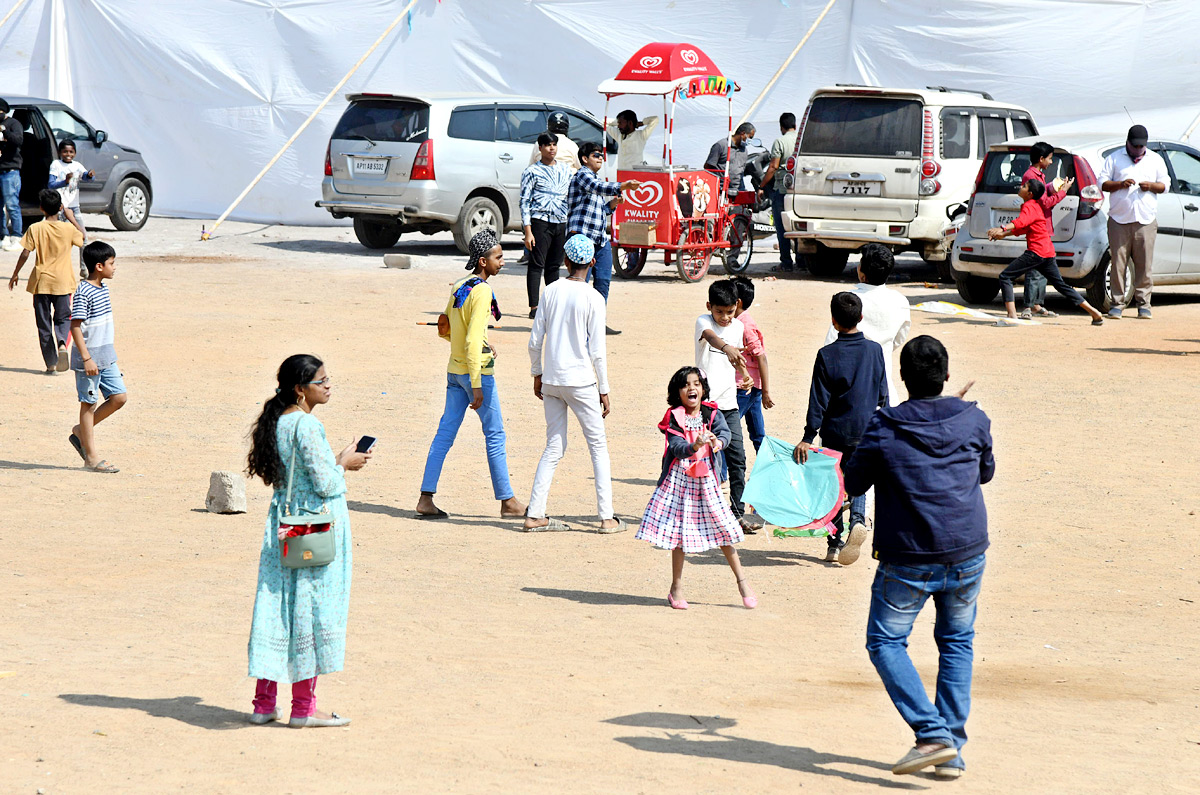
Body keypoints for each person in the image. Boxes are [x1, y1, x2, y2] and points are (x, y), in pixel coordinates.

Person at [843, 336, 994, 779]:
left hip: (909, 556)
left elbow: (854, 484)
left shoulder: (884, 426)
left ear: (902, 379)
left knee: (886, 641)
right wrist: (957, 416)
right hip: (966, 550)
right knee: (957, 642)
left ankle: (934, 736)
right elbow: (985, 472)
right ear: (947, 375)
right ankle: (952, 749)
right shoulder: (974, 418)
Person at [246, 354, 371, 728]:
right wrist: (346, 463)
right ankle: (303, 708)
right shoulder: (306, 425)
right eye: (321, 381)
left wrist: (337, 458)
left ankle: (264, 703)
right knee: (310, 609)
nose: (328, 385)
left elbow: (299, 472)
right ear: (300, 389)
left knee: (278, 610)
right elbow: (326, 483)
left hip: (283, 525)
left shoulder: (278, 422)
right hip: (314, 528)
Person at [416, 230, 526, 520]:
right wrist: (477, 381)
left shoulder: (460, 284)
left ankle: (426, 497)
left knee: (444, 434)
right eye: (498, 257)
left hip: (454, 371)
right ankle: (508, 501)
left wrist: (476, 346)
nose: (502, 262)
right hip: (476, 375)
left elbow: (444, 326)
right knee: (495, 434)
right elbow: (472, 340)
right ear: (482, 261)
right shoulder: (482, 290)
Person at [635, 366, 757, 611]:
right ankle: (676, 589)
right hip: (680, 483)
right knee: (680, 535)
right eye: (685, 385)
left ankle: (743, 583)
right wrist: (693, 446)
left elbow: (725, 434)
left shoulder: (712, 414)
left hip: (707, 482)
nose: (691, 388)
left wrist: (717, 442)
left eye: (696, 384)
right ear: (677, 392)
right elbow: (676, 447)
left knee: (723, 528)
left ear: (703, 389)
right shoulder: (674, 416)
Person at [524, 234, 622, 533]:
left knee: (554, 445)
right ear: (592, 263)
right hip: (580, 381)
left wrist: (538, 373)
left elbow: (534, 341)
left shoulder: (551, 290)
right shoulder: (594, 297)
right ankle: (606, 517)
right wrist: (603, 389)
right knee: (597, 446)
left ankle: (535, 513)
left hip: (552, 379)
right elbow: (597, 351)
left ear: (565, 260)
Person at [794, 292, 888, 565]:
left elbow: (818, 399)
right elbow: (883, 395)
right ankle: (858, 519)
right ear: (860, 317)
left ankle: (834, 543)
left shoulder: (827, 355)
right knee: (858, 480)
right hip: (866, 429)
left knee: (832, 485)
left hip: (835, 432)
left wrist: (808, 436)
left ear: (833, 321)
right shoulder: (875, 351)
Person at [988, 179, 1104, 325]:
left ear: (1029, 194)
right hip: (1047, 252)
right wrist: (1004, 234)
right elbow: (1024, 228)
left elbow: (1021, 222)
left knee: (1005, 276)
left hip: (1036, 252)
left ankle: (1012, 317)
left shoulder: (1029, 206)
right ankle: (1094, 312)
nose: (1020, 187)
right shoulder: (1035, 206)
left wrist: (1002, 229)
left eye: (1024, 186)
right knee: (1061, 285)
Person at [695, 279, 755, 531]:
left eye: (729, 312)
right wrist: (728, 348)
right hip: (706, 406)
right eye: (719, 311)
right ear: (709, 306)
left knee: (737, 457)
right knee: (704, 460)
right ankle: (701, 511)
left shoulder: (738, 325)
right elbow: (710, 338)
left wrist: (745, 375)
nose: (724, 317)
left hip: (729, 404)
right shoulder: (703, 322)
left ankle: (737, 513)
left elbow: (738, 359)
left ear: (736, 306)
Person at [7, 188, 85, 374]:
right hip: (63, 282)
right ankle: (62, 344)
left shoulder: (35, 228)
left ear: (41, 208)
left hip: (41, 283)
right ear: (60, 208)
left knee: (43, 323)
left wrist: (15, 273)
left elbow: (26, 253)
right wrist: (72, 217)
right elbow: (82, 237)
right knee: (63, 318)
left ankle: (50, 363)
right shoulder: (68, 229)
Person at [822, 243, 911, 406]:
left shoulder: (849, 301)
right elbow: (898, 339)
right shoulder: (900, 301)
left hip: (850, 397)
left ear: (862, 274)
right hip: (885, 395)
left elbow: (831, 344)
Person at [65, 241, 126, 473]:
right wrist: (86, 358)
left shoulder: (103, 288)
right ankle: (90, 458)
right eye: (112, 263)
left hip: (107, 356)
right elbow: (76, 327)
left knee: (119, 397)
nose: (115, 267)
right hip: (89, 360)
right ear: (99, 266)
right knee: (88, 405)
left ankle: (81, 431)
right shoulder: (83, 291)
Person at [567, 141, 639, 334]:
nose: (600, 158)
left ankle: (597, 322)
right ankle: (578, 323)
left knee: (603, 281)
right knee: (581, 282)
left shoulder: (594, 181)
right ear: (585, 158)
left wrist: (612, 205)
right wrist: (624, 185)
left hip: (599, 238)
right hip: (582, 237)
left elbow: (599, 210)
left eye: (601, 155)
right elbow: (598, 187)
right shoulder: (583, 175)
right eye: (596, 155)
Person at [1099, 124, 1169, 319]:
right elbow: (1102, 183)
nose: (1138, 150)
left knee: (1144, 264)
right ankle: (1117, 303)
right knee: (1118, 264)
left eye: (1141, 146)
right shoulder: (1114, 158)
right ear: (1127, 142)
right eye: (1135, 146)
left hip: (1145, 220)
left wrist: (1151, 186)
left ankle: (1144, 304)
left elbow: (1165, 185)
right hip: (1119, 220)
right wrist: (1120, 184)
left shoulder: (1155, 159)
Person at [1018, 142, 1074, 319]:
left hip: (1043, 226)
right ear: (1041, 159)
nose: (1051, 162)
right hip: (1037, 227)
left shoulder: (1038, 175)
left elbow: (1042, 196)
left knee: (1043, 265)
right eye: (1049, 159)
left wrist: (1052, 188)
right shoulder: (1031, 175)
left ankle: (1036, 304)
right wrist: (1063, 192)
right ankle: (1028, 305)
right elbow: (1045, 203)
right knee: (1035, 265)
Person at [520, 132, 570, 318]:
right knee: (536, 264)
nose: (551, 148)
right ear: (540, 148)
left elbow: (570, 196)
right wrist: (528, 231)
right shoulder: (531, 171)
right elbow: (524, 201)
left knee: (554, 266)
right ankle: (534, 307)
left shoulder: (565, 170)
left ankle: (551, 305)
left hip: (560, 222)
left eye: (554, 145)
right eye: (547, 145)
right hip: (540, 221)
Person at [730, 276, 773, 452]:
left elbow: (761, 357)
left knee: (728, 428)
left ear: (737, 302)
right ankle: (768, 470)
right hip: (753, 386)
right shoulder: (740, 321)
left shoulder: (744, 326)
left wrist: (765, 392)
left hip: (745, 387)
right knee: (757, 433)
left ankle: (723, 473)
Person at [759, 112, 798, 272]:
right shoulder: (801, 140)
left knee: (782, 228)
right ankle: (802, 261)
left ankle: (786, 263)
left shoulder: (780, 142)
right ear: (795, 126)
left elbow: (773, 166)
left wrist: (761, 186)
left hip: (782, 190)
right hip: (799, 190)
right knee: (797, 228)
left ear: (781, 127)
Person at [49, 140, 95, 246]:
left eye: (71, 152)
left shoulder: (77, 166)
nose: (68, 155)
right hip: (60, 207)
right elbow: (51, 184)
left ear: (75, 153)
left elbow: (87, 177)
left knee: (83, 238)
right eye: (65, 152)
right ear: (60, 152)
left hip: (74, 206)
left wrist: (90, 175)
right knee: (60, 239)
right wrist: (65, 182)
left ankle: (84, 263)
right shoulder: (56, 164)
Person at [704, 122, 755, 197]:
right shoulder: (721, 145)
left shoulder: (744, 150)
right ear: (743, 133)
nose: (750, 141)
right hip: (721, 190)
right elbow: (708, 167)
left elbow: (741, 171)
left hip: (738, 190)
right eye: (749, 137)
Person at [0, 98, 24, 252]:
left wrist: (4, 130)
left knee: (12, 205)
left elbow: (18, 140)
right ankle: (3, 235)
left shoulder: (13, 124)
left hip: (10, 171)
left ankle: (17, 236)